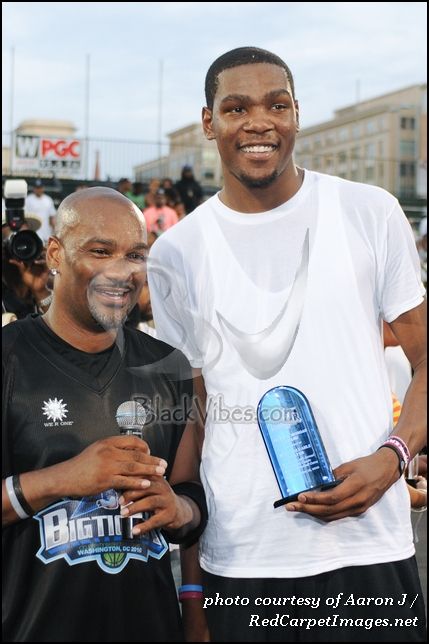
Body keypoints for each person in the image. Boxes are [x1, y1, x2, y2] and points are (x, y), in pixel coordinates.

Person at [148, 47, 427, 642]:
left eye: (277, 104)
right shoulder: (176, 253)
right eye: (236, 107)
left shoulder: (368, 212)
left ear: (297, 114)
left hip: (369, 552)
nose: (259, 122)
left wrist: (394, 458)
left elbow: (425, 356)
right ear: (208, 122)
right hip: (242, 561)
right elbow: (193, 420)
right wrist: (192, 593)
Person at [2, 187, 206, 642]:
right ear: (55, 253)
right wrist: (63, 478)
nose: (121, 272)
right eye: (100, 251)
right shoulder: (9, 360)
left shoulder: (172, 368)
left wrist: (178, 509)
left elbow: (195, 502)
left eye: (135, 254)